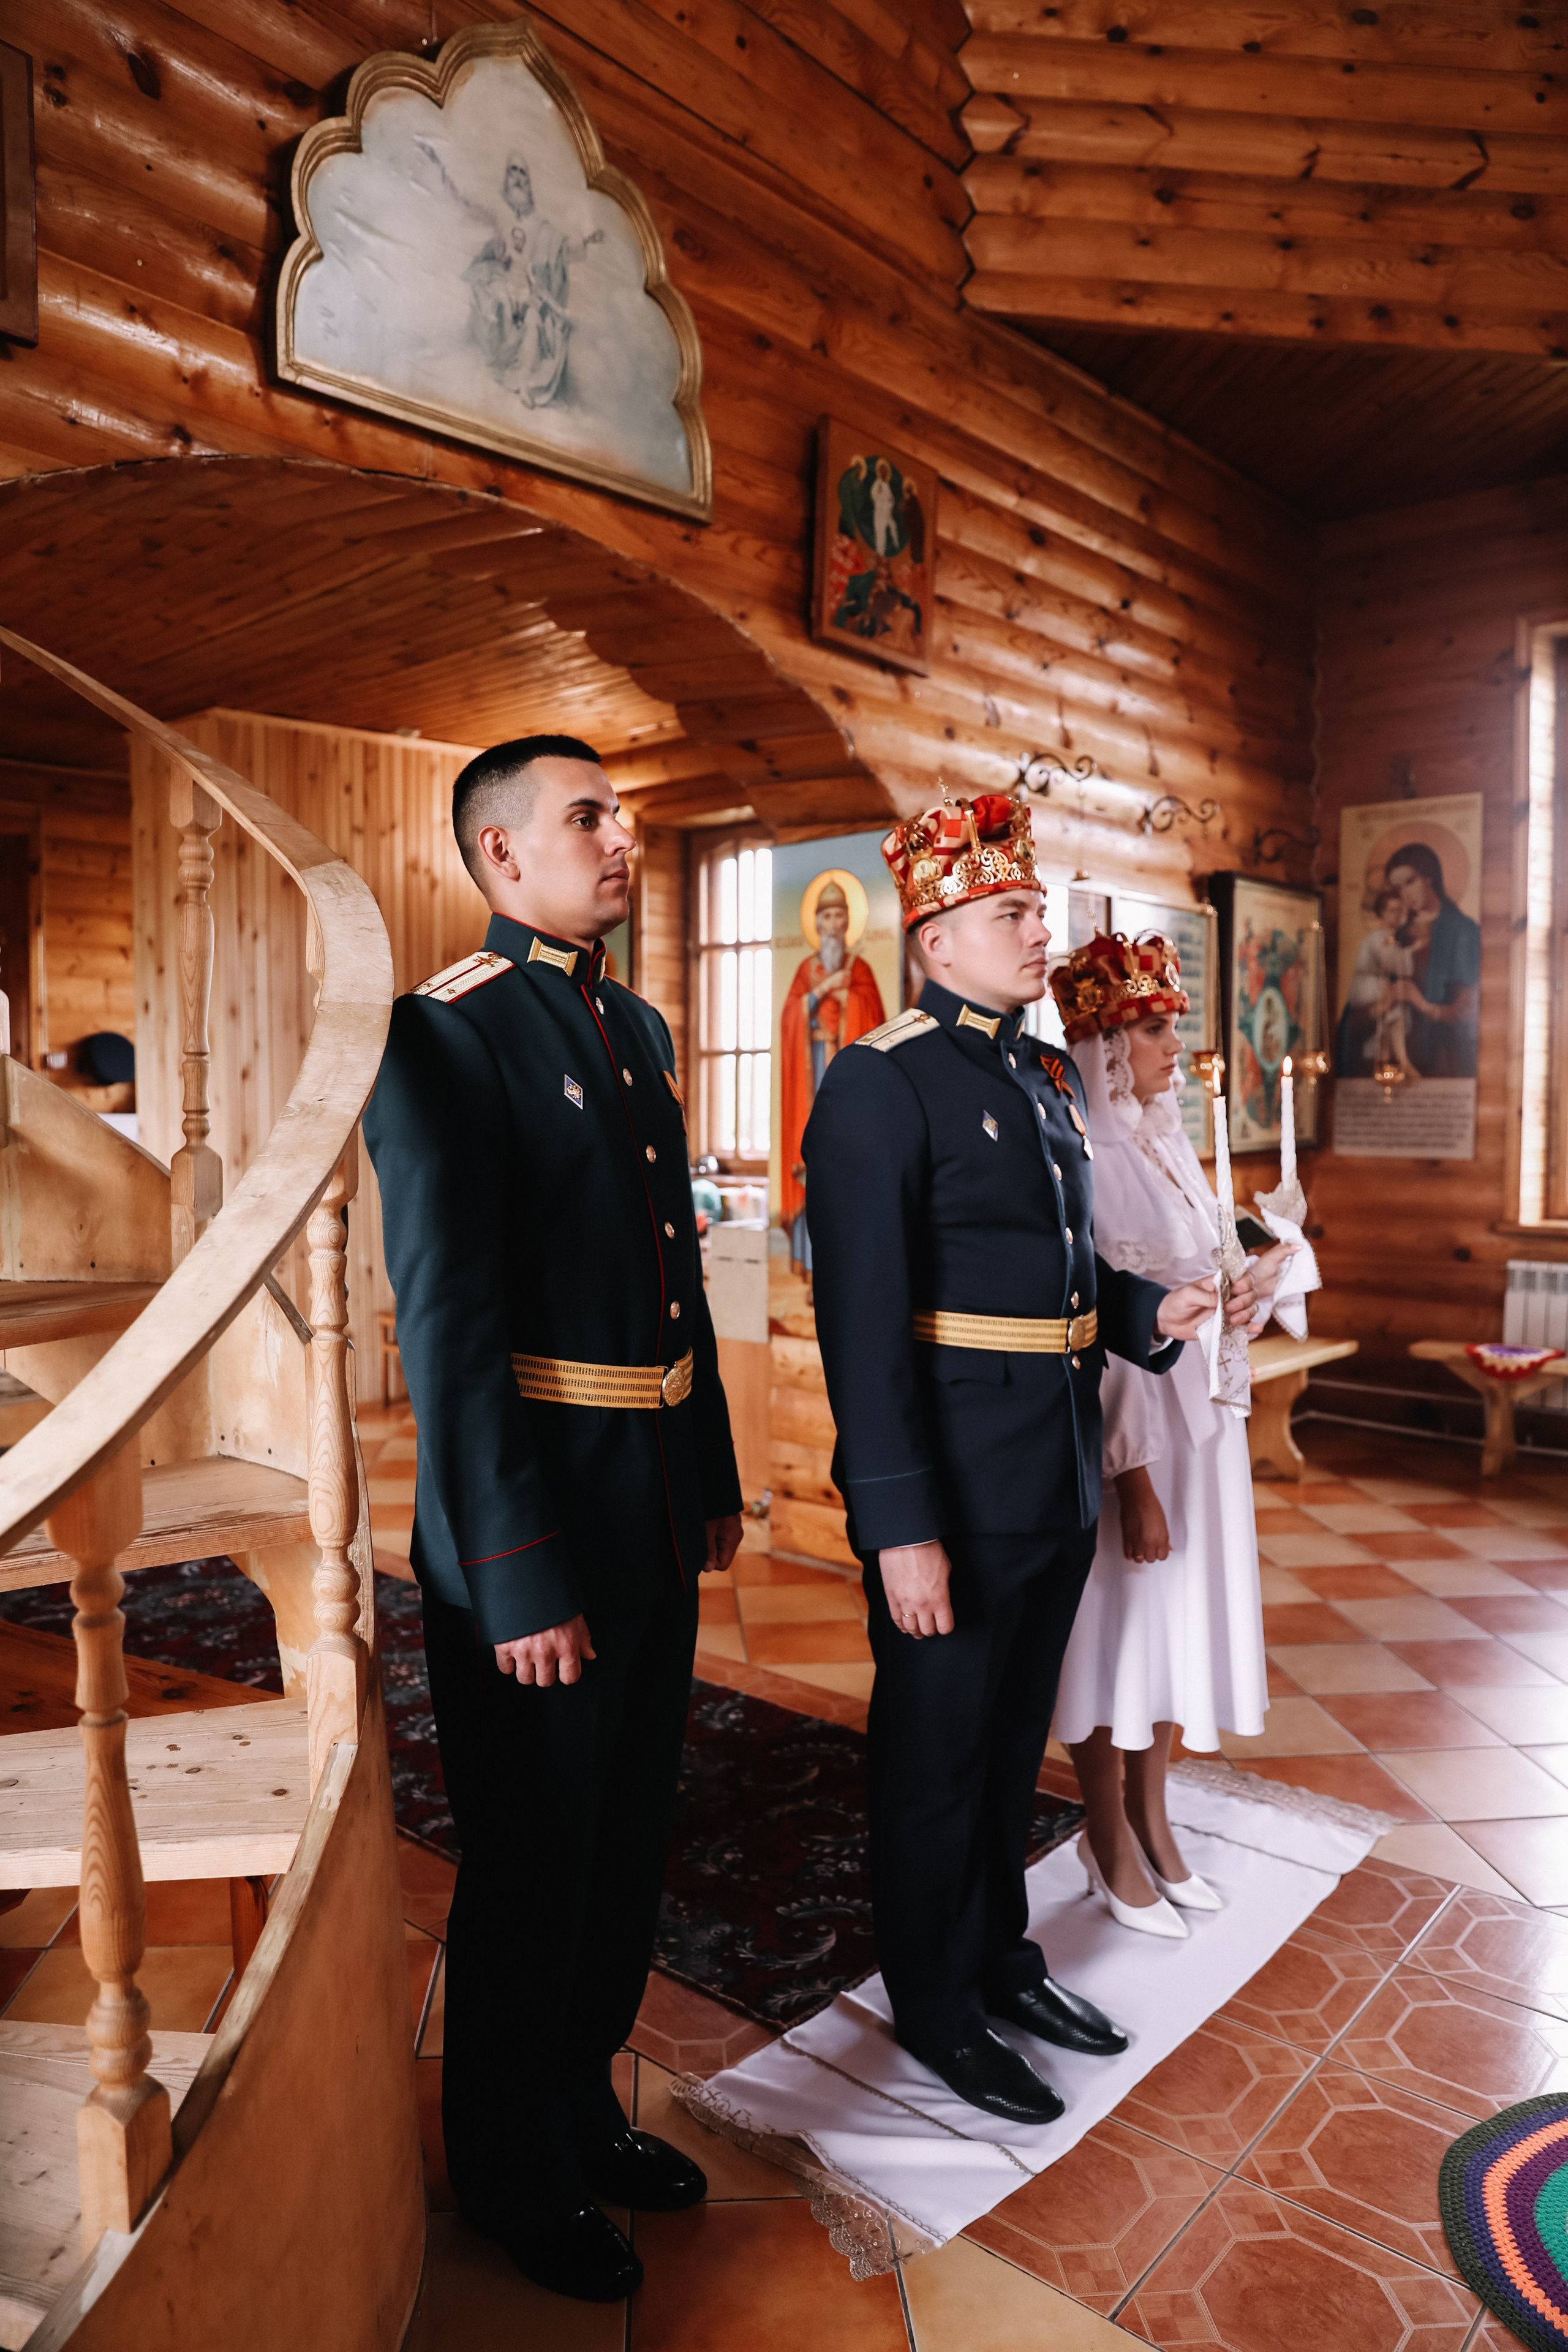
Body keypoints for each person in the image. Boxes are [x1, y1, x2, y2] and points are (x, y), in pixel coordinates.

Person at [802, 792, 1262, 2125]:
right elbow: (861, 1331)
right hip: (950, 1490)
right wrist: (899, 1529)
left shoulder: (1043, 1075)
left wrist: (1157, 1312)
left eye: (1035, 907)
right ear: (934, 938)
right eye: (1009, 912)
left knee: (1010, 1752)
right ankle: (936, 2005)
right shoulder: (881, 1080)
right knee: (934, 1759)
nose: (1036, 929)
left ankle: (999, 1962)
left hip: (1048, 1476)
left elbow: (1068, 1280)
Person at [362, 734, 743, 2303]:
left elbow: (674, 1289)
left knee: (621, 1843)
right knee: (531, 1867)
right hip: (532, 1536)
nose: (619, 835)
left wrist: (707, 1476)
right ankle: (510, 2168)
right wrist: (512, 1575)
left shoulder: (630, 1022)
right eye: (587, 815)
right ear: (500, 853)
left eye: (623, 813)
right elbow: (449, 1335)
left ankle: (581, 2106)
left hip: (645, 1513)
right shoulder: (443, 1032)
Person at [1049, 937, 1298, 1936]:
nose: (1172, 1046)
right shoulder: (1093, 1157)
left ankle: (1154, 1817)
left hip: (1202, 1430)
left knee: (1172, 1632)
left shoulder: (1165, 1142)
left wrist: (1254, 1276)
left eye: (1171, 1025)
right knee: (1116, 1636)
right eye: (1152, 1028)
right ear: (1105, 1045)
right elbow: (1106, 1338)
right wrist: (1134, 1479)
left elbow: (1196, 1278)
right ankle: (1106, 1829)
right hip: (1141, 1438)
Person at [778, 876, 886, 1271]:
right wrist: (824, 990)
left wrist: (847, 995)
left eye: (840, 915)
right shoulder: (806, 971)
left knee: (847, 1160)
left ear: (848, 922)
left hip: (848, 1077)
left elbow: (876, 1025)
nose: (833, 924)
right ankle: (811, 1267)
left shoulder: (861, 970)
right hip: (812, 1072)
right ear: (817, 923)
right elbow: (790, 1018)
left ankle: (849, 1263)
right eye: (826, 916)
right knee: (811, 1161)